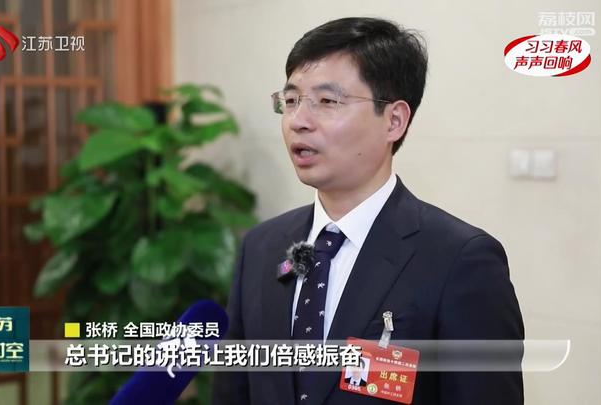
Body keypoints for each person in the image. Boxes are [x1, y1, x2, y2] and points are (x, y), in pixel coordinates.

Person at [212, 17, 524, 405]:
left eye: (327, 102)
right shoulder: (262, 247)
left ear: (394, 121)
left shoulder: (460, 260)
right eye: (291, 101)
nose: (298, 122)